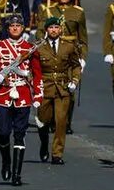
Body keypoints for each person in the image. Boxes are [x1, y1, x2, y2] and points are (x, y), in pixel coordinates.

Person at [0, 13, 42, 186]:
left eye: (18, 26)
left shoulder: (29, 48)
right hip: (3, 94)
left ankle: (16, 175)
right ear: (7, 28)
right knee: (3, 133)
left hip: (23, 95)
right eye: (12, 26)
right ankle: (6, 162)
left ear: (23, 28)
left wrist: (38, 95)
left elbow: (38, 74)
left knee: (20, 135)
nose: (15, 28)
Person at [34, 16, 82, 165]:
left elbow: (76, 65)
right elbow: (32, 69)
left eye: (56, 27)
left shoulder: (68, 46)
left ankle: (57, 154)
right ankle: (43, 143)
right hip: (45, 87)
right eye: (51, 28)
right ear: (46, 30)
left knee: (61, 122)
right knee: (43, 121)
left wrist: (74, 81)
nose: (54, 30)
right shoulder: (39, 47)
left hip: (62, 88)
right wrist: (34, 85)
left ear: (60, 29)